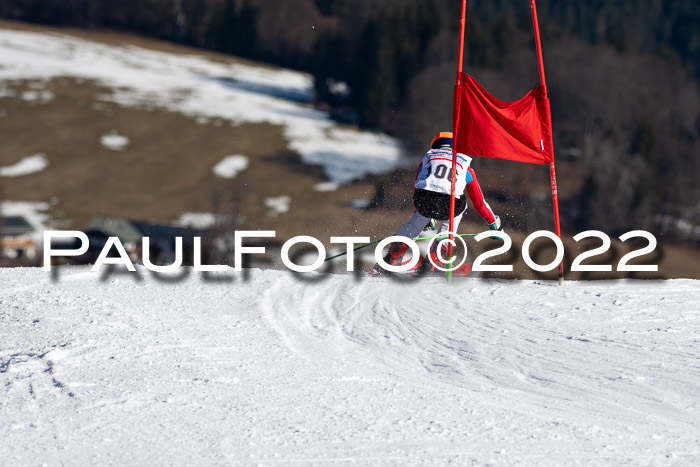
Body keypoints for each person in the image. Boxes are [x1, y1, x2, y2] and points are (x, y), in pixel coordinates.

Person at [370, 131, 503, 275]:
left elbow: (419, 189)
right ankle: (435, 258)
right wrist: (493, 224)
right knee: (459, 203)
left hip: (423, 201)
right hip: (450, 205)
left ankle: (393, 256)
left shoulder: (428, 159)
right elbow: (479, 203)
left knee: (418, 217)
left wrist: (425, 215)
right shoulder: (465, 165)